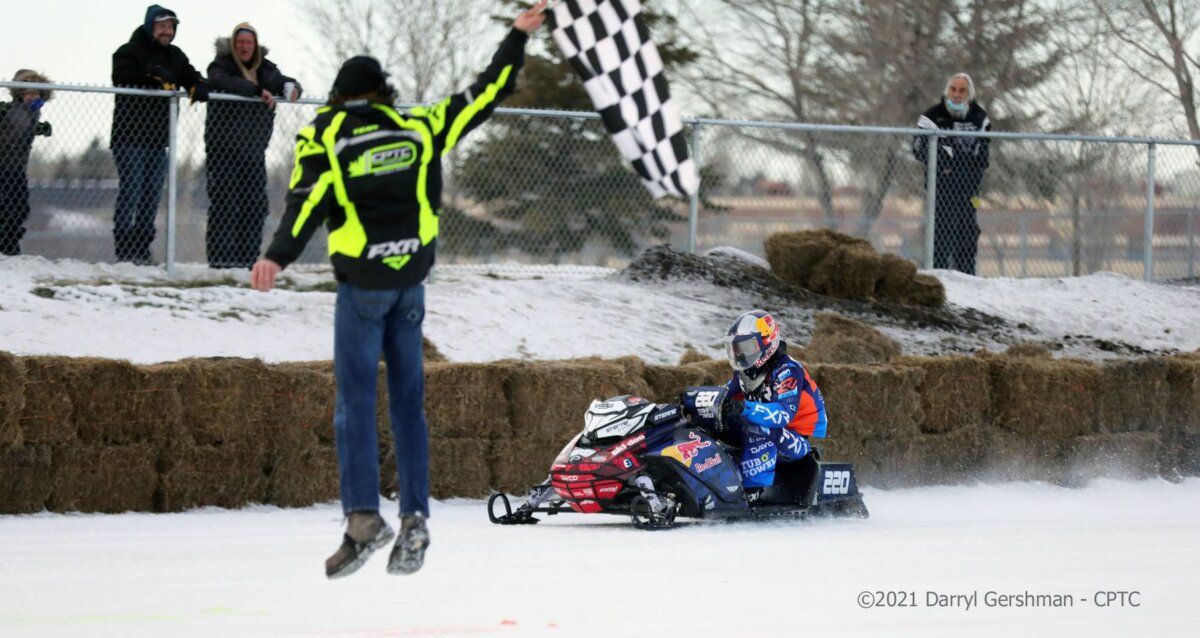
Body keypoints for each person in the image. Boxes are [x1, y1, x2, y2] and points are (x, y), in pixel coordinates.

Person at [250, 0, 549, 578]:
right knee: (409, 407)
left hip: (361, 288)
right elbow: (484, 96)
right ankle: (416, 519)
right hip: (411, 284)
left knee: (355, 405)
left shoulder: (325, 134)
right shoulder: (419, 125)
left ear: (340, 95)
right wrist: (515, 38)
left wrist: (276, 256)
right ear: (383, 91)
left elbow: (306, 201)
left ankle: (364, 519)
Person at [680, 310, 827, 494]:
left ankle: (753, 490)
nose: (740, 354)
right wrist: (691, 401)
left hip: (794, 440)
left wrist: (743, 407)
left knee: (757, 425)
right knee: (709, 417)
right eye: (736, 348)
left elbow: (782, 415)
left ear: (768, 344)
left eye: (746, 347)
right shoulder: (746, 372)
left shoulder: (787, 371)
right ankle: (697, 474)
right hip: (767, 431)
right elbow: (723, 397)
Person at [111, 4, 209, 264]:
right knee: (131, 190)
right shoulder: (128, 51)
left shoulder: (175, 55)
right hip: (129, 137)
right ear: (149, 26)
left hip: (159, 139)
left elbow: (190, 75)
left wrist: (198, 85)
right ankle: (124, 249)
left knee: (151, 195)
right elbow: (120, 77)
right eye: (162, 25)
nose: (167, 31)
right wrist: (151, 75)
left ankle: (142, 248)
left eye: (171, 27)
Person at [204, 22, 302, 269]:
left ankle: (246, 260)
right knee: (225, 202)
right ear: (233, 45)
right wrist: (257, 90)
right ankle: (222, 262)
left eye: (249, 42)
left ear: (255, 45)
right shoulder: (221, 65)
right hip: (223, 149)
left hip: (254, 151)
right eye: (240, 42)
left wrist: (293, 89)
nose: (245, 47)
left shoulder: (266, 69)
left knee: (255, 205)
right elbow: (221, 82)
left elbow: (285, 81)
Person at [913, 72, 992, 275]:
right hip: (942, 189)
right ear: (947, 91)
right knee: (942, 235)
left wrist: (972, 171)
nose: (957, 94)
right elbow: (918, 147)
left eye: (962, 90)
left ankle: (967, 278)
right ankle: (939, 277)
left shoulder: (979, 117)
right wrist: (943, 162)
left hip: (969, 190)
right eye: (953, 89)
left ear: (969, 94)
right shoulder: (933, 116)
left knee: (967, 235)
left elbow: (983, 154)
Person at [0, 70, 53, 256]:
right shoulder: (9, 109)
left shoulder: (33, 113)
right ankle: (7, 245)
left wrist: (41, 128)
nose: (32, 97)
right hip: (3, 167)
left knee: (21, 208)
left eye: (36, 94)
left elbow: (25, 129)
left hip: (16, 169)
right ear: (20, 95)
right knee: (6, 208)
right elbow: (12, 124)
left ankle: (10, 242)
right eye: (28, 94)